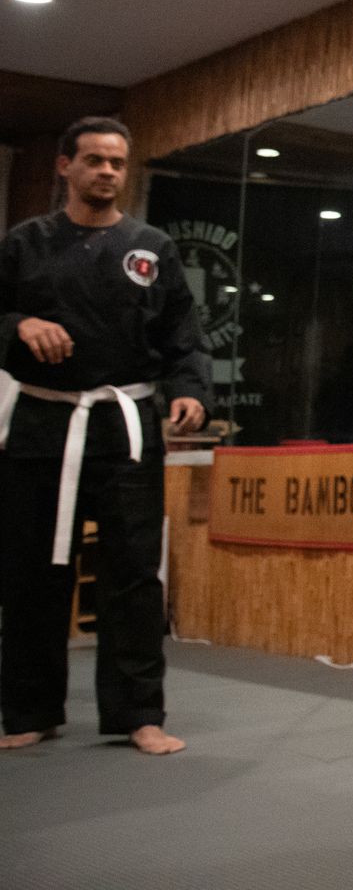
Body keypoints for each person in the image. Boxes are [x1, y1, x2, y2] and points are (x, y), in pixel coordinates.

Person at [0, 117, 210, 756]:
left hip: (123, 424)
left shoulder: (151, 248)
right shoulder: (24, 243)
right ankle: (30, 710)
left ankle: (138, 715)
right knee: (32, 572)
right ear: (64, 166)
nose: (108, 173)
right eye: (94, 160)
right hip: (41, 422)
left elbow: (183, 334)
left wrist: (190, 391)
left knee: (132, 573)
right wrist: (17, 324)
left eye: (118, 163)